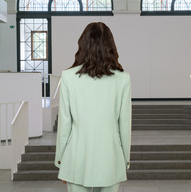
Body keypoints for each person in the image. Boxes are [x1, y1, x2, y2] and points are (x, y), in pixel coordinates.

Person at [54, 22, 132, 192]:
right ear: (110, 46)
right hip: (111, 156)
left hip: (76, 156)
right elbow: (124, 124)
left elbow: (65, 123)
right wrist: (125, 159)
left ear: (82, 45)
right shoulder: (123, 78)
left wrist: (61, 160)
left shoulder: (68, 77)